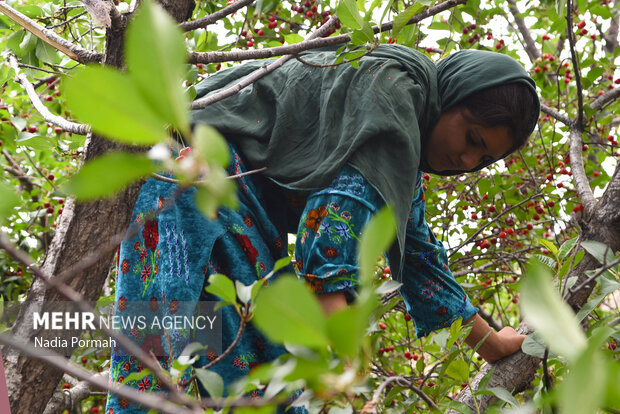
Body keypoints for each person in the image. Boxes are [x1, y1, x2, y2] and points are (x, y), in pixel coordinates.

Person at [105, 44, 539, 413]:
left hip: (205, 194)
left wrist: (494, 345)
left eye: (482, 161)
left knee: (252, 372)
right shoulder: (395, 101)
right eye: (473, 140)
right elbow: (328, 252)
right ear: (453, 97)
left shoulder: (401, 144)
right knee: (182, 360)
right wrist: (346, 379)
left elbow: (423, 266)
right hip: (201, 182)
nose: (466, 163)